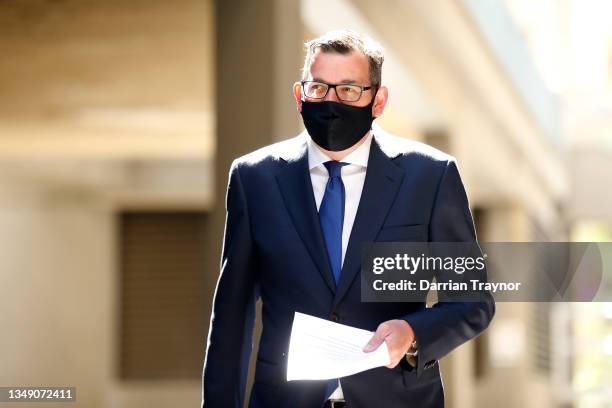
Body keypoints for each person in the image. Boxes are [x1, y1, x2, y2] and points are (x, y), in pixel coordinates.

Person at [202, 29, 495, 408]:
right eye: (319, 89)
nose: (331, 102)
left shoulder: (431, 177)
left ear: (378, 100)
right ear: (299, 95)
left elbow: (473, 302)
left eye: (349, 90)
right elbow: (230, 318)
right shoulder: (253, 178)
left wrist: (412, 332)